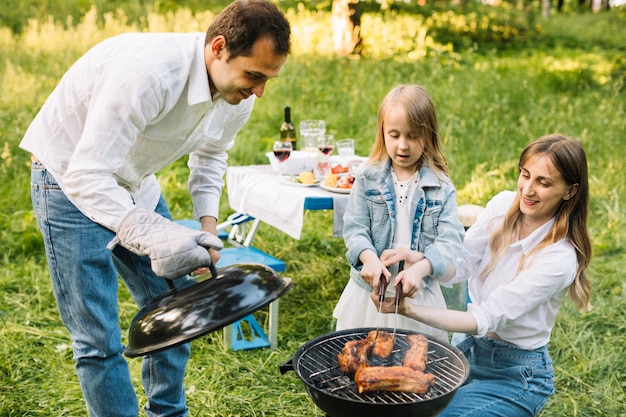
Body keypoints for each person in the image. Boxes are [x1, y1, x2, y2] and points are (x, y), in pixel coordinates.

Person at [19, 1, 291, 416]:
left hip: (133, 181)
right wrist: (152, 234)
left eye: (269, 79)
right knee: (99, 340)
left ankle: (166, 412)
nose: (259, 91)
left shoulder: (239, 95)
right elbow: (88, 175)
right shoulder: (147, 76)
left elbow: (211, 157)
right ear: (218, 47)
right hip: (67, 180)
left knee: (178, 307)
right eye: (254, 75)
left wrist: (208, 228)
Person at [376, 134, 592, 416]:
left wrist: (408, 310)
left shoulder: (560, 258)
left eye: (544, 182)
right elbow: (460, 264)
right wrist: (422, 260)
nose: (527, 190)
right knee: (397, 404)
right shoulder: (503, 204)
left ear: (569, 191)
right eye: (525, 175)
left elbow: (483, 319)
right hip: (466, 351)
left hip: (515, 374)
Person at [333, 84, 465, 341]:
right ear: (382, 133)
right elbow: (355, 227)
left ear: (429, 135)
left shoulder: (441, 186)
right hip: (368, 293)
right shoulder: (367, 178)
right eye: (394, 135)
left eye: (413, 136)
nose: (402, 145)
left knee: (414, 363)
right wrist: (368, 258)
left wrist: (422, 268)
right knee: (363, 356)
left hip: (419, 292)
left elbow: (451, 239)